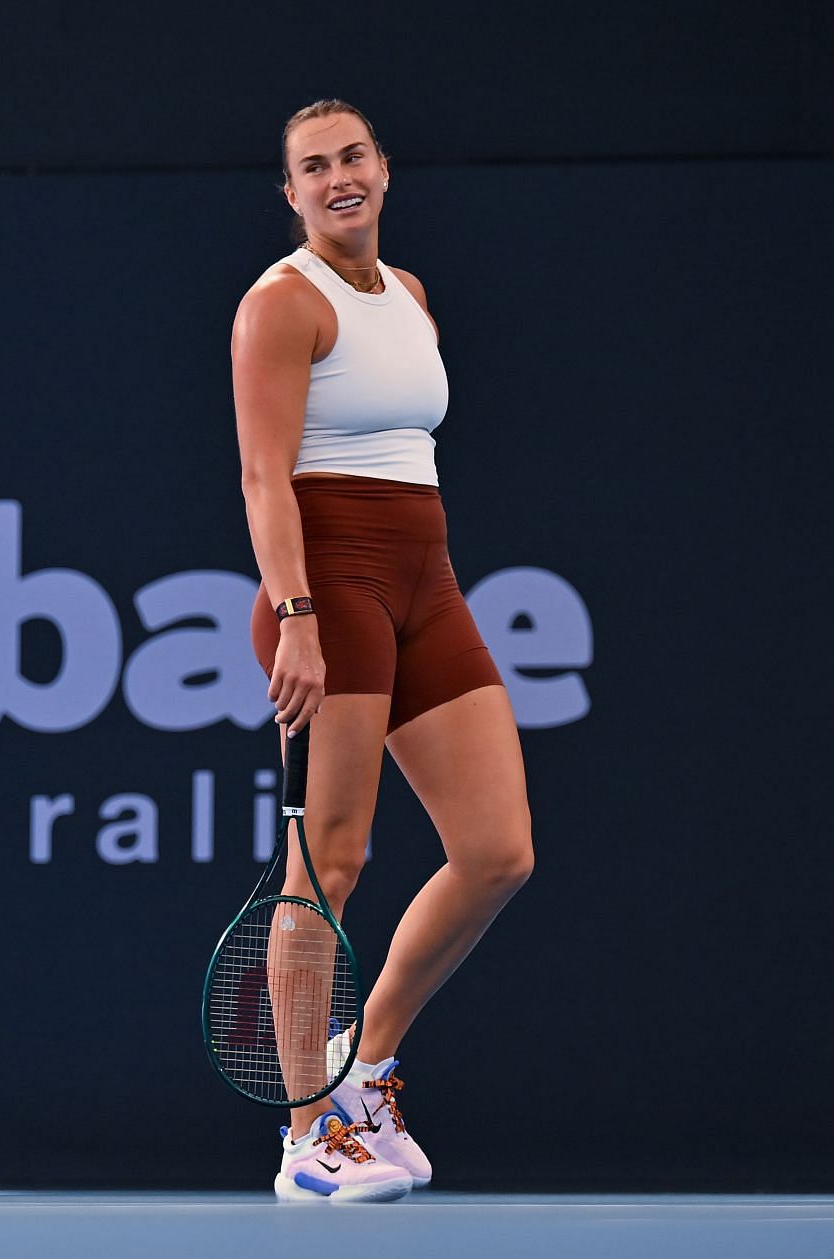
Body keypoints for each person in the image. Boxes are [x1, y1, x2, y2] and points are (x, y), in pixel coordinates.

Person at [233, 99, 536, 1203]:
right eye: (312, 169)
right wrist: (297, 613)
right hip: (332, 592)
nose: (336, 179)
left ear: (383, 169)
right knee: (335, 863)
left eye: (351, 157)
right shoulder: (278, 304)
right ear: (292, 194)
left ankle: (362, 1067)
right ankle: (306, 1135)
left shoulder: (409, 298)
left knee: (499, 849)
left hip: (426, 583)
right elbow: (267, 476)